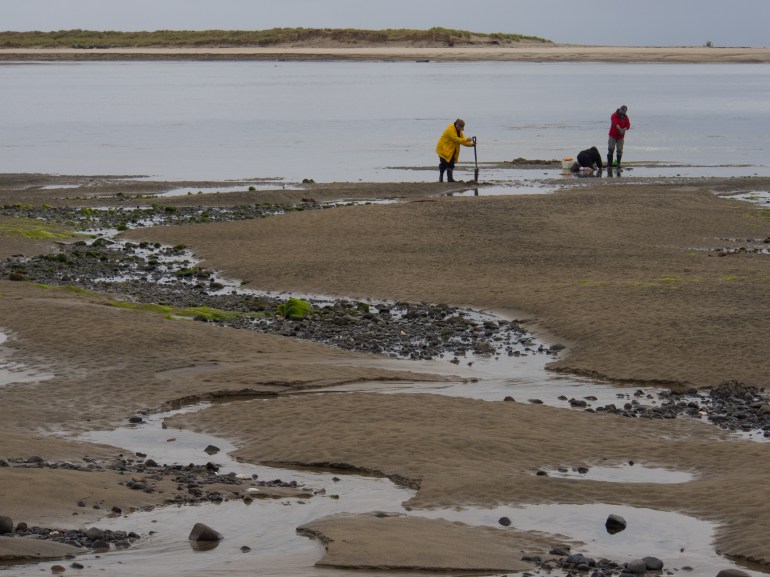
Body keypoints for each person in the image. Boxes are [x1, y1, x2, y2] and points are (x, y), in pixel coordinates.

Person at [607, 105, 631, 172]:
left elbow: (628, 125)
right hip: (613, 135)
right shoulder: (614, 115)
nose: (624, 112)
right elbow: (615, 123)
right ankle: (609, 165)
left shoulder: (625, 117)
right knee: (611, 149)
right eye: (623, 110)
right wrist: (620, 129)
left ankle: (618, 164)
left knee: (620, 150)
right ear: (620, 109)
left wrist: (624, 129)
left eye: (625, 111)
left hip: (621, 136)